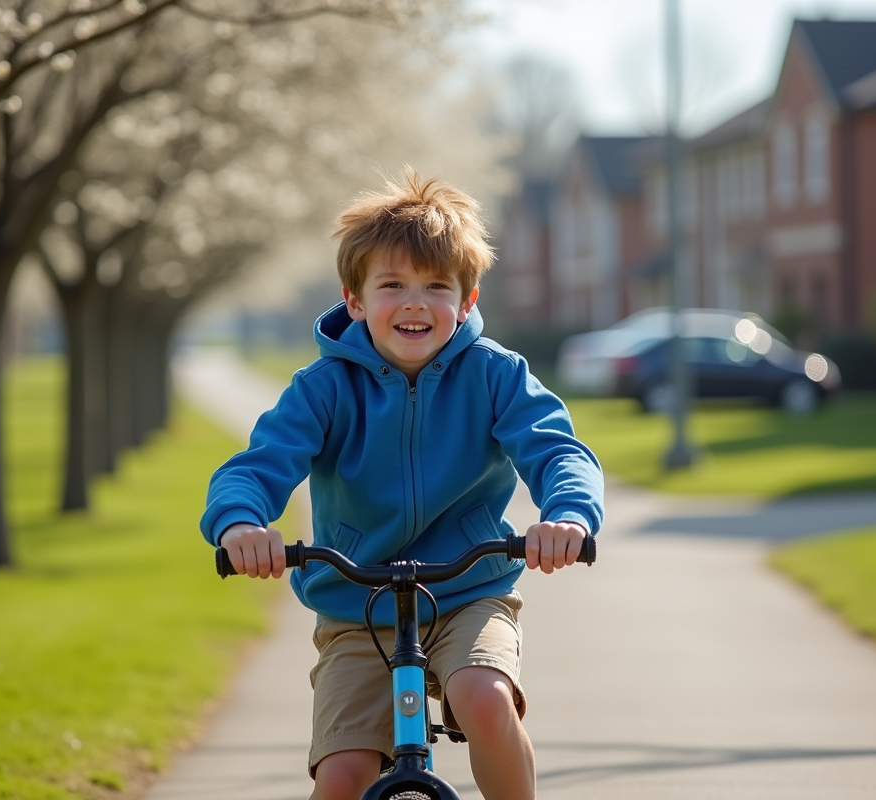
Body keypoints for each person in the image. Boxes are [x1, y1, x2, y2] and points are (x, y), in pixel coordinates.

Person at [200, 169, 604, 800]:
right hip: (356, 606)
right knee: (342, 775)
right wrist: (242, 524)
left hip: (468, 591)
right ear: (355, 300)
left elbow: (558, 452)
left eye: (436, 287)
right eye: (392, 285)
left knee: (487, 699)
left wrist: (569, 517)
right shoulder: (324, 388)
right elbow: (257, 466)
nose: (415, 302)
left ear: (467, 301)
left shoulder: (496, 376)